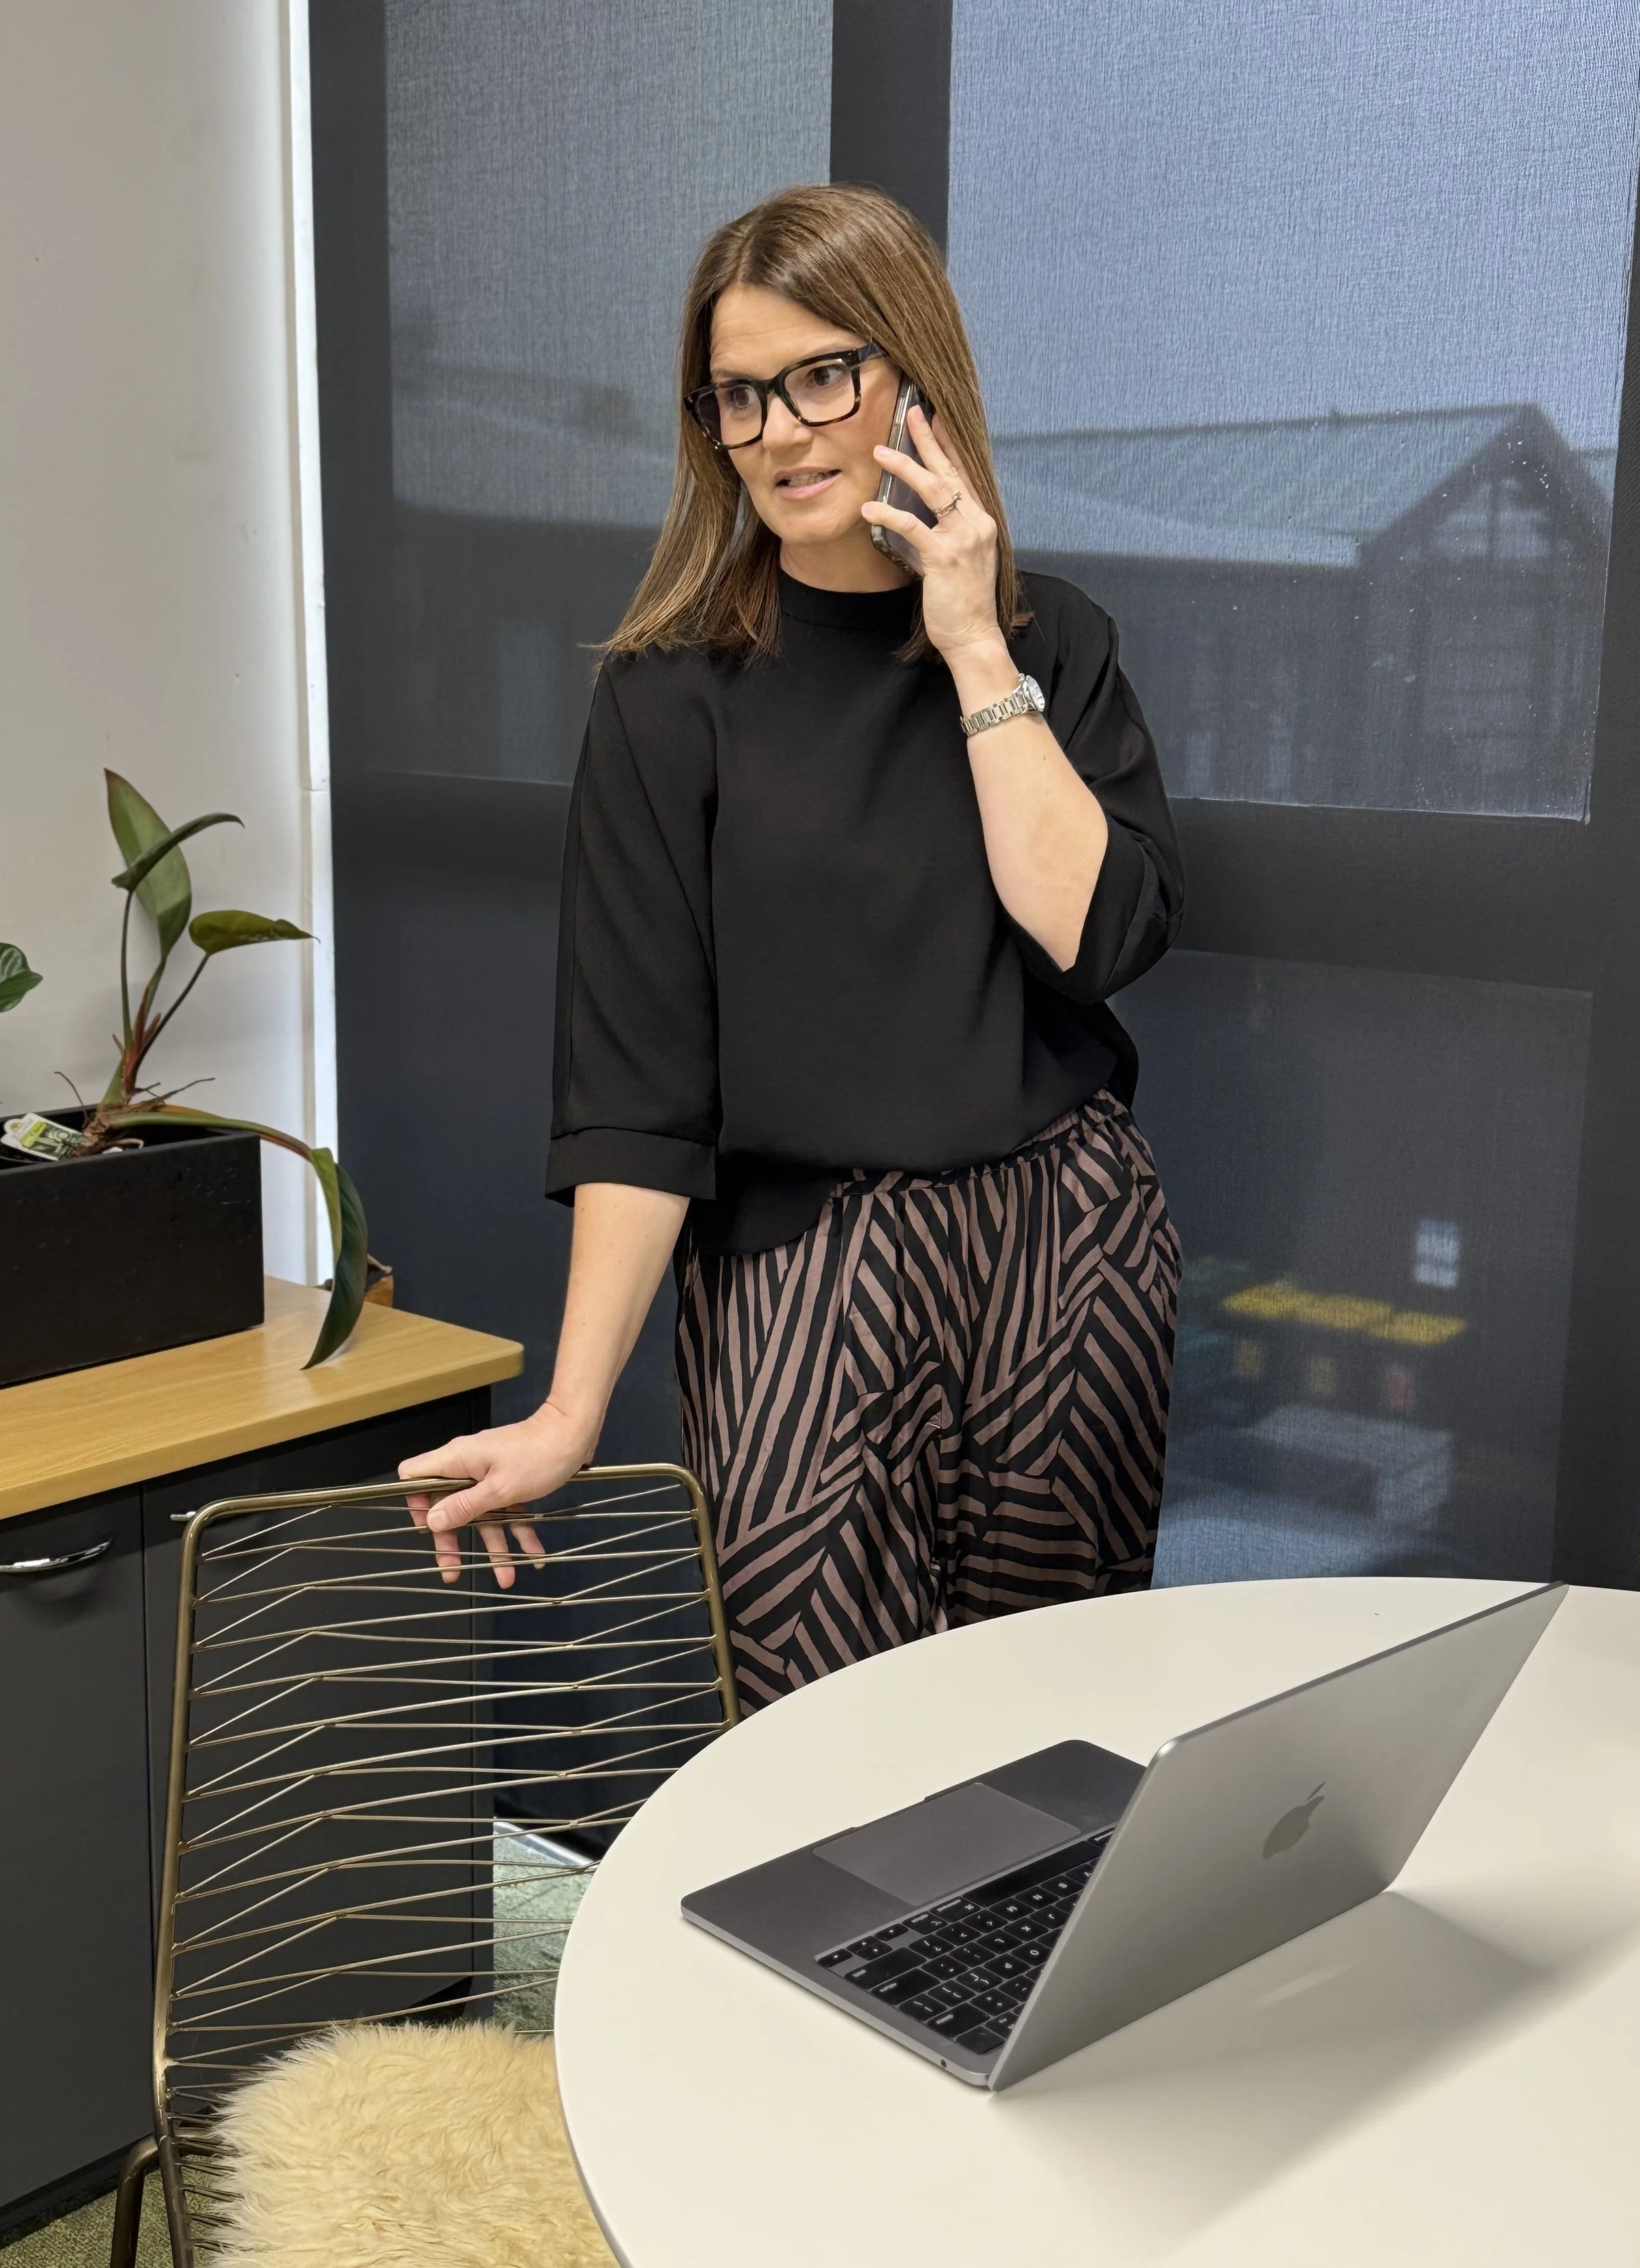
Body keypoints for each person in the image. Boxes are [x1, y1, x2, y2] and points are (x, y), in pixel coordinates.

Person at [402, 183, 1183, 1712]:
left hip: (1063, 1239)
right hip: (801, 1267)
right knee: (819, 1745)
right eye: (738, 395)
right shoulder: (666, 697)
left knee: (1053, 1734)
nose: (779, 431)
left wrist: (972, 641)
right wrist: (570, 1409)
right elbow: (640, 1090)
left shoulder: (1053, 640)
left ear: (914, 380)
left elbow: (1094, 934)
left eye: (822, 376)